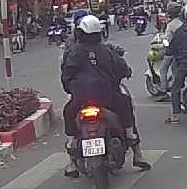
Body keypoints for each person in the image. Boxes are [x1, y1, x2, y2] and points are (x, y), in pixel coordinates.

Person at [60, 15, 150, 174]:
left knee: (68, 112)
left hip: (80, 99)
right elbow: (121, 68)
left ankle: (72, 157)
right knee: (125, 105)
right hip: (107, 98)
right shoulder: (106, 50)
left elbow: (66, 75)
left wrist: (72, 89)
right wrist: (125, 73)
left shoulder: (72, 51)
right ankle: (137, 151)